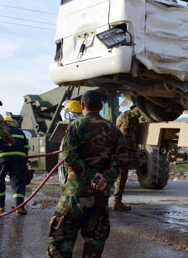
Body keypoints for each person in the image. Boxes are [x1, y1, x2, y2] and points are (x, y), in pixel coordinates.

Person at [47, 90, 129, 258]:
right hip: (99, 197)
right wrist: (105, 178)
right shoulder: (113, 129)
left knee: (60, 244)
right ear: (100, 107)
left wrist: (90, 175)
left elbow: (68, 156)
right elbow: (123, 157)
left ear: (82, 106)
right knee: (94, 243)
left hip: (74, 197)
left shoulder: (75, 127)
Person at [0, 116, 29, 215]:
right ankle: (19, 207)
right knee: (18, 182)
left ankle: (0, 207)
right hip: (18, 159)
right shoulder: (20, 132)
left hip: (2, 159)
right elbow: (26, 147)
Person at [113, 105, 141, 211]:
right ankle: (117, 201)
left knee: (118, 175)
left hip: (122, 149)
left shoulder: (126, 117)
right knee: (121, 175)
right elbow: (125, 134)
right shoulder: (128, 116)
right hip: (123, 150)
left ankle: (116, 201)